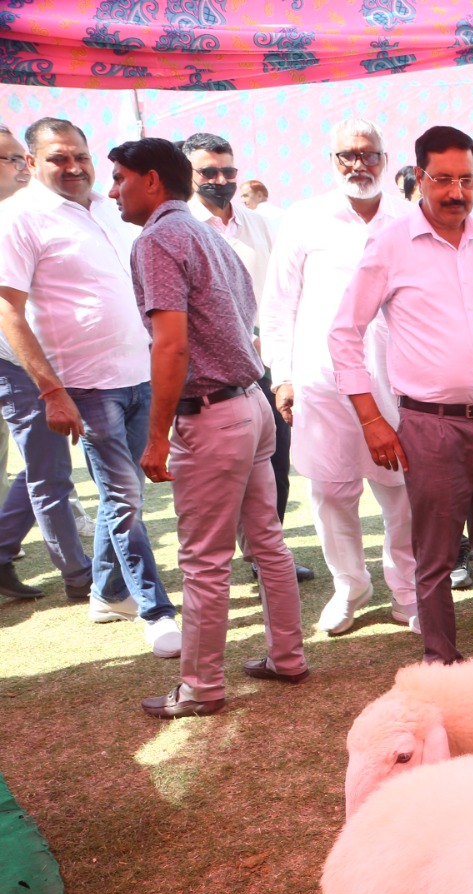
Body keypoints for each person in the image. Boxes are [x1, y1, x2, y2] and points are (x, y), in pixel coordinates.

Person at [328, 125, 473, 666]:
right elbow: (343, 333)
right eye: (443, 179)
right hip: (430, 426)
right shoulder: (391, 244)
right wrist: (371, 419)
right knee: (435, 558)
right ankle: (441, 665)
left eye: (466, 180)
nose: (455, 192)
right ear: (419, 177)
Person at [108, 136, 306, 718]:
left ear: (151, 180)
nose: (113, 191)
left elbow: (171, 346)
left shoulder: (159, 238)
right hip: (250, 402)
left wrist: (156, 437)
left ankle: (200, 687)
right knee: (267, 542)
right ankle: (287, 657)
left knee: (205, 561)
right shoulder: (204, 233)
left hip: (216, 413)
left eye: (120, 178)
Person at [0, 118, 182, 655]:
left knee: (126, 494)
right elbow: (8, 313)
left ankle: (107, 593)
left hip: (139, 372)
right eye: (59, 158)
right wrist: (51, 391)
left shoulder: (107, 206)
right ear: (31, 163)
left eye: (80, 156)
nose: (74, 167)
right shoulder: (17, 217)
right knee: (123, 499)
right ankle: (156, 610)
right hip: (86, 383)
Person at [260, 119, 417, 637]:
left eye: (369, 154)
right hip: (323, 382)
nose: (359, 164)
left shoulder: (409, 217)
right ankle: (350, 585)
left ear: (385, 159)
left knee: (402, 492)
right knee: (331, 492)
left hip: (396, 380)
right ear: (332, 161)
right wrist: (282, 376)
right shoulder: (305, 219)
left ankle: (407, 589)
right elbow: (278, 304)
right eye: (348, 155)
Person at [183, 132, 312, 581]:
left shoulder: (263, 224)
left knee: (275, 464)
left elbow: (287, 291)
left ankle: (265, 554)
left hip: (265, 367)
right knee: (222, 475)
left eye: (228, 172)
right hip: (210, 375)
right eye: (209, 172)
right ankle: (223, 563)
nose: (221, 180)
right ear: (188, 174)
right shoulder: (181, 228)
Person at [0, 121, 71, 603]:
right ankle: (80, 574)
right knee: (47, 469)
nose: (21, 167)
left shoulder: (31, 214)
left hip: (35, 361)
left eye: (21, 156)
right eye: (9, 159)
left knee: (45, 465)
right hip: (16, 362)